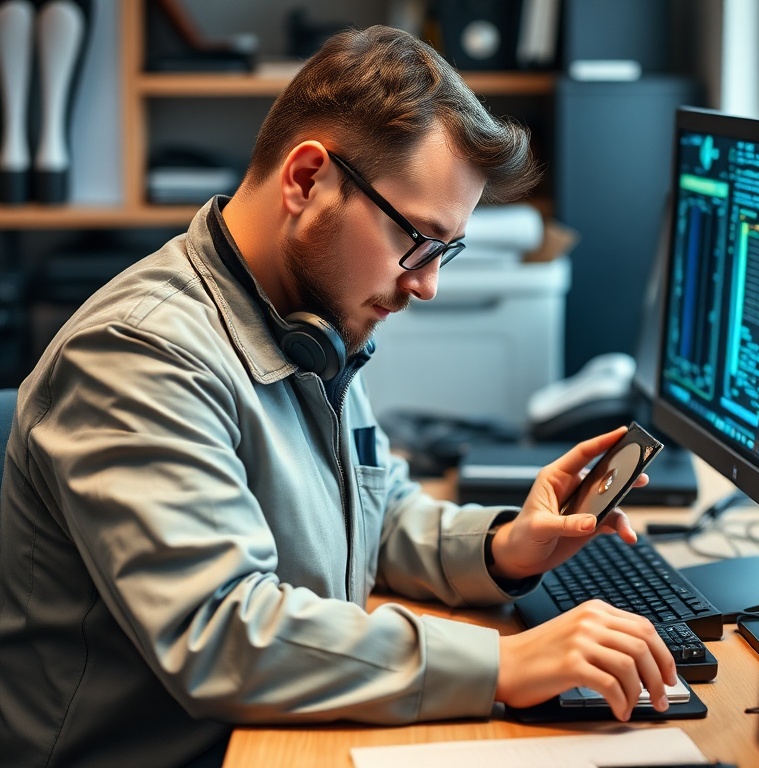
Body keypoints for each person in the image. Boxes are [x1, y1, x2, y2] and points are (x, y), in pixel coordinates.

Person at [0, 25, 677, 767]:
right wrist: (502, 665)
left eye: (443, 252)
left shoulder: (304, 325)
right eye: (417, 240)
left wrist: (504, 548)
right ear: (306, 179)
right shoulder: (139, 355)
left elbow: (371, 514)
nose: (427, 283)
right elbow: (222, 632)